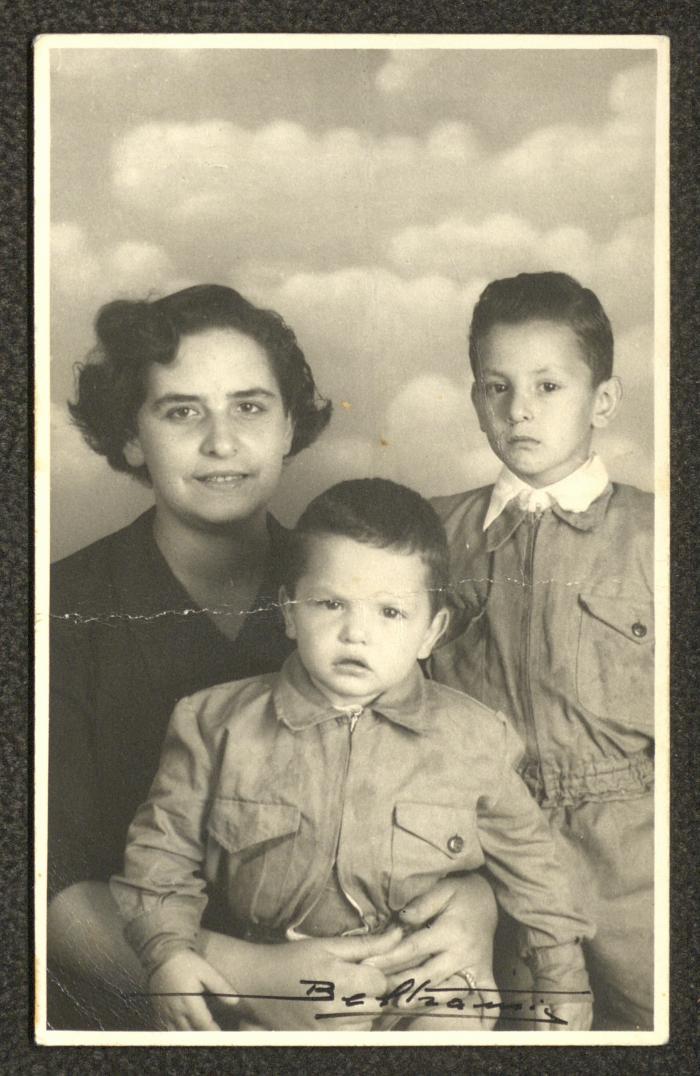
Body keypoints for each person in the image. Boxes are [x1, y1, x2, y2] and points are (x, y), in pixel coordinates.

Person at [47, 284, 498, 1031]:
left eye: (250, 407)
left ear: (291, 425)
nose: (222, 442)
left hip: (370, 1003)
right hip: (140, 1009)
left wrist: (476, 907)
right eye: (182, 411)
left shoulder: (367, 585)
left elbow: (453, 774)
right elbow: (40, 881)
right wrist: (252, 976)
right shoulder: (56, 609)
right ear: (131, 438)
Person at [110, 478, 594, 1032]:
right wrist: (167, 953)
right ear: (289, 612)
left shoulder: (475, 738)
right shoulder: (214, 724)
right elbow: (159, 853)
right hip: (287, 980)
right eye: (330, 603)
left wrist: (562, 974)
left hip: (431, 975)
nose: (355, 633)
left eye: (390, 613)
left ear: (431, 632)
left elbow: (535, 866)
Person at [429, 272, 654, 1031]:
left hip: (635, 858)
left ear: (603, 402)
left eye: (549, 385)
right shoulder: (434, 536)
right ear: (475, 399)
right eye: (497, 386)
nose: (519, 408)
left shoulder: (658, 535)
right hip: (489, 851)